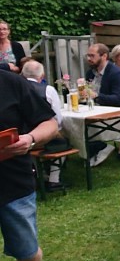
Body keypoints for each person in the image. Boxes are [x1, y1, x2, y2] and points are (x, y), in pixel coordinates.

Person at [0, 68, 60, 261]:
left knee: (27, 252)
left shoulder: (11, 83)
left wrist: (30, 138)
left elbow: (50, 123)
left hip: (13, 182)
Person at [21, 61, 68, 190]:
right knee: (64, 141)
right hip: (42, 137)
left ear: (23, 74)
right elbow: (57, 119)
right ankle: (54, 179)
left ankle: (38, 174)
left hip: (21, 136)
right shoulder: (48, 90)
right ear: (42, 75)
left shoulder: (16, 88)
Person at [83, 43, 120, 166]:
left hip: (115, 112)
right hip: (95, 109)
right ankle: (96, 149)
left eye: (92, 56)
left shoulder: (116, 73)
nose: (89, 59)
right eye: (88, 55)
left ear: (104, 56)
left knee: (83, 125)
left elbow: (119, 98)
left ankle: (100, 147)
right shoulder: (90, 73)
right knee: (74, 123)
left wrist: (96, 96)